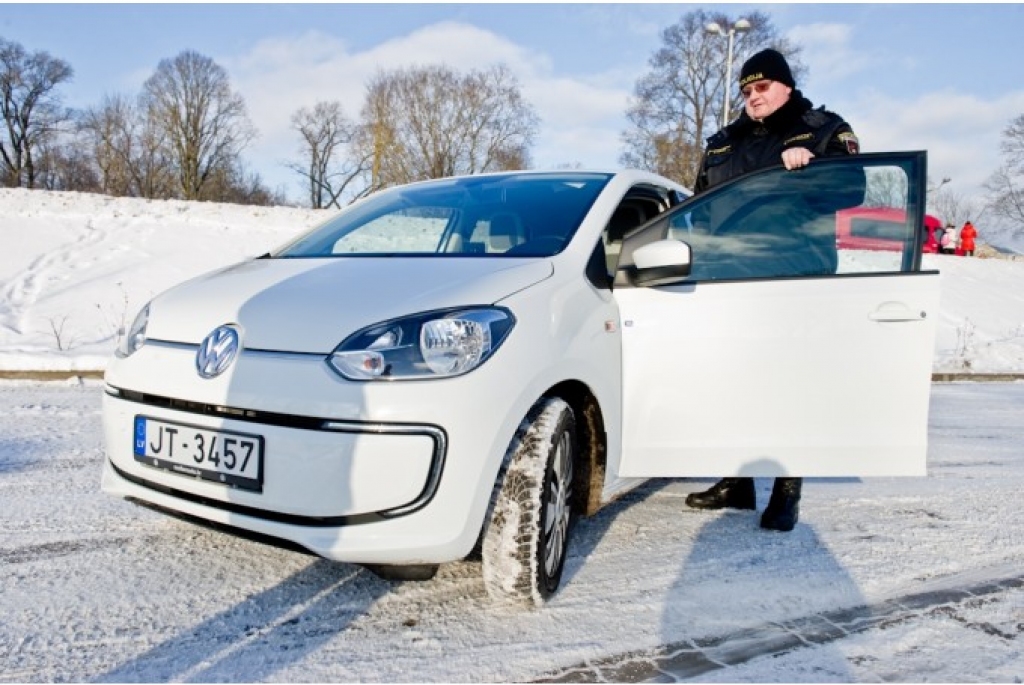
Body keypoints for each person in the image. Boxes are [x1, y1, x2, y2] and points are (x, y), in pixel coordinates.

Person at [686, 48, 860, 533]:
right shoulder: (724, 140)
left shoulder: (820, 128)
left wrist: (813, 169)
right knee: (732, 382)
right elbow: (700, 207)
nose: (753, 96)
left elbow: (854, 189)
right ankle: (737, 482)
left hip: (795, 278)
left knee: (791, 386)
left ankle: (787, 491)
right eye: (746, 89)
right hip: (728, 279)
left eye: (762, 87)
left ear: (785, 86)